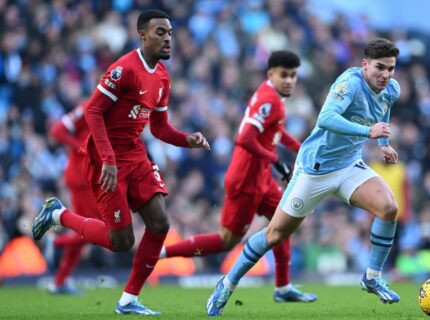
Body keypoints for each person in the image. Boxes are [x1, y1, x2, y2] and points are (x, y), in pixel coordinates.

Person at [205, 38, 402, 316]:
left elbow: (383, 112)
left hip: (348, 165)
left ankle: (372, 277)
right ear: (365, 64)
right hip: (315, 170)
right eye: (380, 68)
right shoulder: (349, 84)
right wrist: (368, 133)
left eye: (391, 69)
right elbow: (326, 118)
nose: (386, 75)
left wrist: (383, 145)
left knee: (389, 208)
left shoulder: (392, 88)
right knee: (274, 234)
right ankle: (226, 284)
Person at [32, 10, 210, 315]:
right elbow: (93, 112)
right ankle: (58, 214)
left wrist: (186, 140)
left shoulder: (163, 76)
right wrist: (109, 160)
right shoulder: (123, 69)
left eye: (169, 32)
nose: (168, 38)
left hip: (136, 155)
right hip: (105, 158)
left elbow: (159, 128)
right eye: (160, 33)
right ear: (142, 35)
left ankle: (129, 300)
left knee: (160, 223)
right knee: (121, 241)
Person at [158, 50, 316, 302]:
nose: (289, 80)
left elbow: (274, 130)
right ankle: (161, 252)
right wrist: (277, 161)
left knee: (284, 225)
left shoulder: (273, 96)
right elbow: (244, 138)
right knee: (226, 241)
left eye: (293, 76)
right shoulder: (270, 100)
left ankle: (283, 287)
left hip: (261, 179)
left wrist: (301, 149)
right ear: (270, 75)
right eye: (283, 75)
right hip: (245, 181)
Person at [47, 104, 100, 295]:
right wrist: (82, 148)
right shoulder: (88, 108)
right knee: (97, 230)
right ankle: (54, 244)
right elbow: (57, 130)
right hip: (82, 179)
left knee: (86, 230)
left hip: (90, 178)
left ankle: (60, 281)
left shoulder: (112, 111)